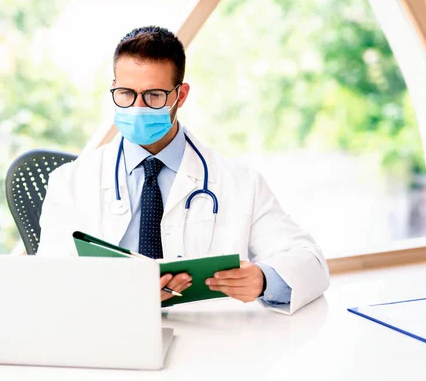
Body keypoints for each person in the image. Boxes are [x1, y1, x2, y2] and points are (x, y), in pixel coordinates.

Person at [37, 26, 329, 314]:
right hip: (108, 333)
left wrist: (264, 280)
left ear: (181, 95)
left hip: (211, 345)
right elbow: (48, 281)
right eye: (126, 93)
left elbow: (311, 262)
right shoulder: (70, 181)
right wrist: (122, 293)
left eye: (153, 95)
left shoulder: (240, 183)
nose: (137, 107)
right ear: (113, 87)